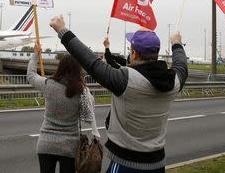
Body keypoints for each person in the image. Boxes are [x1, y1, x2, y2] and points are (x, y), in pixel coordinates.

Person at [49, 15, 188, 173]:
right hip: (157, 165)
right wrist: (177, 43)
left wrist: (62, 31)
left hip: (126, 164)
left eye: (130, 49)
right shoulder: (174, 81)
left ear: (134, 53)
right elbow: (181, 65)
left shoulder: (126, 79)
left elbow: (91, 62)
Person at [27, 42, 99, 173]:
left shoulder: (48, 84)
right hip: (69, 147)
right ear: (78, 70)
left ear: (60, 67)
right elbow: (90, 109)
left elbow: (31, 76)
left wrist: (35, 55)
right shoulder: (82, 92)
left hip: (46, 144)